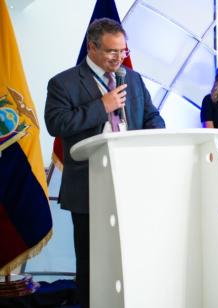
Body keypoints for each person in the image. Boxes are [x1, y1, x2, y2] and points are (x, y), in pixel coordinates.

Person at [44, 18, 165, 308]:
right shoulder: (64, 82)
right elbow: (56, 123)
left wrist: (158, 138)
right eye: (112, 51)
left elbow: (151, 116)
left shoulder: (132, 78)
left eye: (123, 51)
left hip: (133, 183)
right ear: (92, 47)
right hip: (88, 185)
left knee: (131, 257)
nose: (119, 57)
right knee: (91, 262)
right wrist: (103, 106)